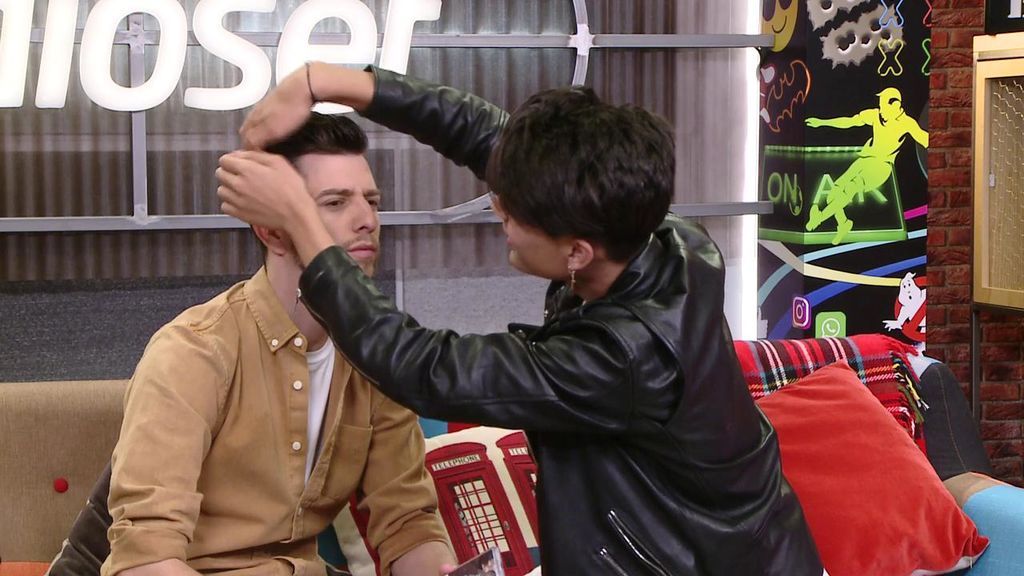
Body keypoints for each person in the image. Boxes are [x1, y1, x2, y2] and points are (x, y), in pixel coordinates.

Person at [217, 63, 824, 575]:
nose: (498, 208)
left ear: (575, 252)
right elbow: (490, 137)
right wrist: (323, 81)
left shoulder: (620, 359)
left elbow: (424, 367)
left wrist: (303, 222)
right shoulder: (649, 232)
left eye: (514, 214)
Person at [61, 113, 454, 576]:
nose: (366, 220)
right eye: (334, 202)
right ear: (271, 231)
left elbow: (408, 525)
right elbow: (146, 560)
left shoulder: (377, 353)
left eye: (371, 201)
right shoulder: (194, 352)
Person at [804, 86, 929, 244]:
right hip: (865, 160)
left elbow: (924, 139)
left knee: (850, 189)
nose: (881, 110)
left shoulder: (907, 123)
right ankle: (844, 224)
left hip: (881, 166)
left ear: (895, 105)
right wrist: (822, 123)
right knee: (833, 194)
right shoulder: (875, 115)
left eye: (884, 106)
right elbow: (850, 122)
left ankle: (818, 219)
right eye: (880, 105)